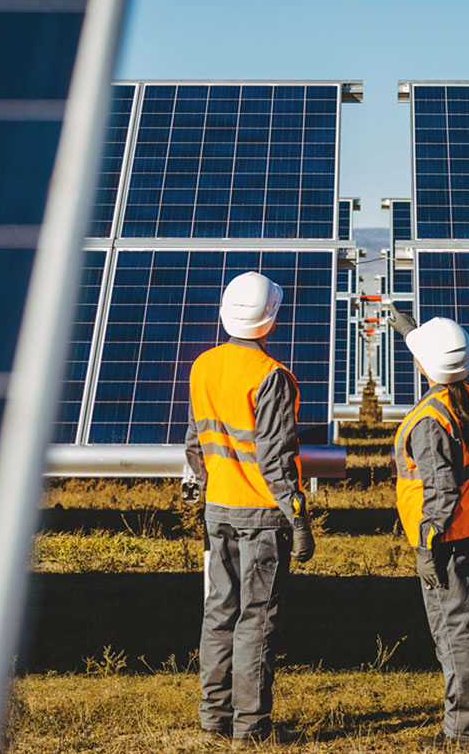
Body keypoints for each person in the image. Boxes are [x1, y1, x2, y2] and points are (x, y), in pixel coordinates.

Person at [183, 271, 315, 746]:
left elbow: (195, 442)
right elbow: (277, 459)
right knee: (255, 620)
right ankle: (250, 727)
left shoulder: (203, 365)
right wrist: (299, 519)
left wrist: (209, 485)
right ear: (270, 319)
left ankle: (213, 718)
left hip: (218, 508)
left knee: (218, 612)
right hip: (261, 516)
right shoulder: (270, 376)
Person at [388, 311, 469, 751]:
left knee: (454, 633)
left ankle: (462, 735)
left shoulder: (429, 421)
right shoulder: (465, 395)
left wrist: (427, 546)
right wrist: (414, 333)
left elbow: (440, 490)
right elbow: (444, 364)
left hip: (445, 539)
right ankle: (465, 722)